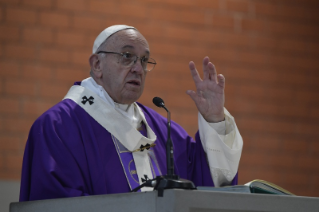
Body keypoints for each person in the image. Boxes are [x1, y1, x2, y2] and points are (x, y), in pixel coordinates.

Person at [19, 25, 243, 201]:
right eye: (127, 56)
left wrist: (214, 120)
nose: (138, 68)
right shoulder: (59, 127)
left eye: (144, 60)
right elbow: (54, 201)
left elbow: (208, 182)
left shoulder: (161, 130)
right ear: (97, 64)